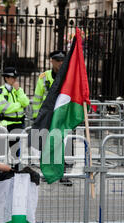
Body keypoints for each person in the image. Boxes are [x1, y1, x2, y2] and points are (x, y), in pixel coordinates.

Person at [32, 50, 73, 186]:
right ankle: (48, 172)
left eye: (62, 60)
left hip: (63, 116)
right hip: (47, 116)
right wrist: (36, 117)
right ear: (52, 61)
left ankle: (63, 174)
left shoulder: (68, 76)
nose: (61, 63)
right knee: (47, 145)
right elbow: (37, 98)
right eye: (58, 60)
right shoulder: (44, 77)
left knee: (65, 144)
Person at [0, 67, 29, 168]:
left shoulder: (18, 90)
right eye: (12, 77)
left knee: (15, 148)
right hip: (4, 124)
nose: (14, 80)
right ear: (6, 78)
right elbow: (4, 108)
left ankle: (15, 168)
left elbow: (26, 102)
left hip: (17, 124)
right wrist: (19, 105)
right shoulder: (0, 91)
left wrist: (18, 91)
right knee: (0, 148)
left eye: (15, 77)